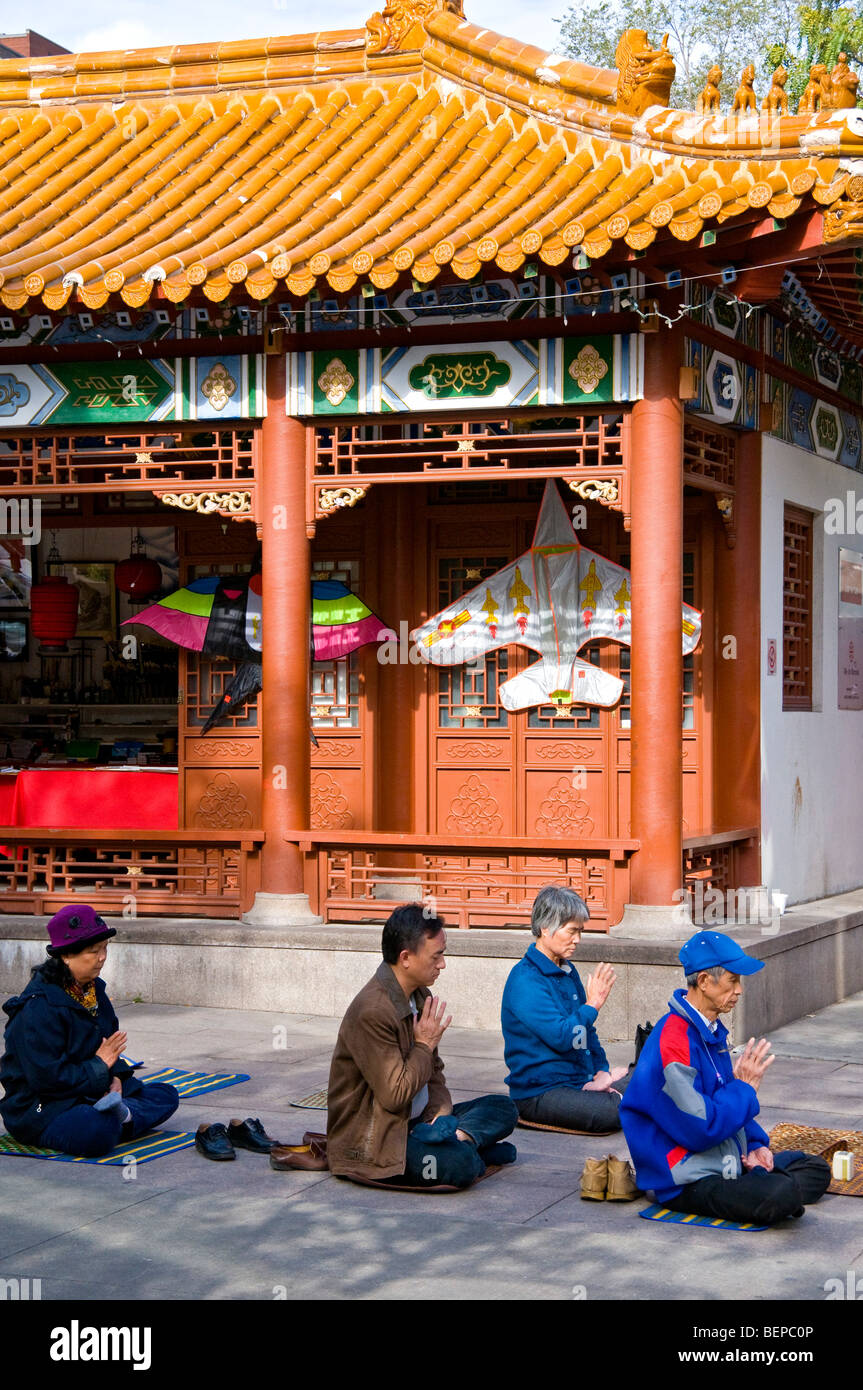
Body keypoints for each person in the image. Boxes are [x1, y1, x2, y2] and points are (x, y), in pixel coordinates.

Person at [619, 931, 831, 1224]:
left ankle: (759, 1179)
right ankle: (766, 1187)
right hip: (685, 1175)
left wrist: (757, 1147)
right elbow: (700, 1128)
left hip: (725, 1157)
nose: (740, 990)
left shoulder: (710, 1030)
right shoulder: (673, 1040)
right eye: (733, 980)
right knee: (779, 1194)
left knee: (815, 1168)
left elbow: (724, 1099)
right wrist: (744, 1088)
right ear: (704, 982)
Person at [327, 903, 518, 1188]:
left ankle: (457, 1140)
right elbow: (395, 1095)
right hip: (378, 1137)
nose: (443, 964)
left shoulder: (418, 995)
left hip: (418, 1123)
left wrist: (438, 1117)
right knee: (462, 1166)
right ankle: (465, 1149)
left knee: (504, 1107)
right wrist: (424, 1045)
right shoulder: (373, 1010)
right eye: (437, 956)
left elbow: (434, 1074)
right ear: (406, 957)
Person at [0, 905, 179, 1157]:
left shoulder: (94, 992)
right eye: (93, 951)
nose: (102, 957)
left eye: (105, 948)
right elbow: (46, 1079)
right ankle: (120, 1119)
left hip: (91, 1091)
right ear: (65, 956)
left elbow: (108, 1048)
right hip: (42, 1105)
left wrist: (116, 1077)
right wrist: (99, 1066)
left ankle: (119, 1115)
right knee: (97, 1129)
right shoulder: (37, 1007)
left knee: (167, 1094)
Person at [501, 885, 629, 1132]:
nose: (577, 940)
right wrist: (592, 1004)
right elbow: (562, 1037)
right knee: (614, 1110)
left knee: (651, 1076)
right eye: (572, 931)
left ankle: (620, 1092)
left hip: (578, 1081)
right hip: (541, 1092)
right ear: (545, 928)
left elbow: (587, 1033)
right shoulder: (525, 980)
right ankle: (625, 1100)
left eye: (580, 931)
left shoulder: (567, 970)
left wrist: (600, 1072)